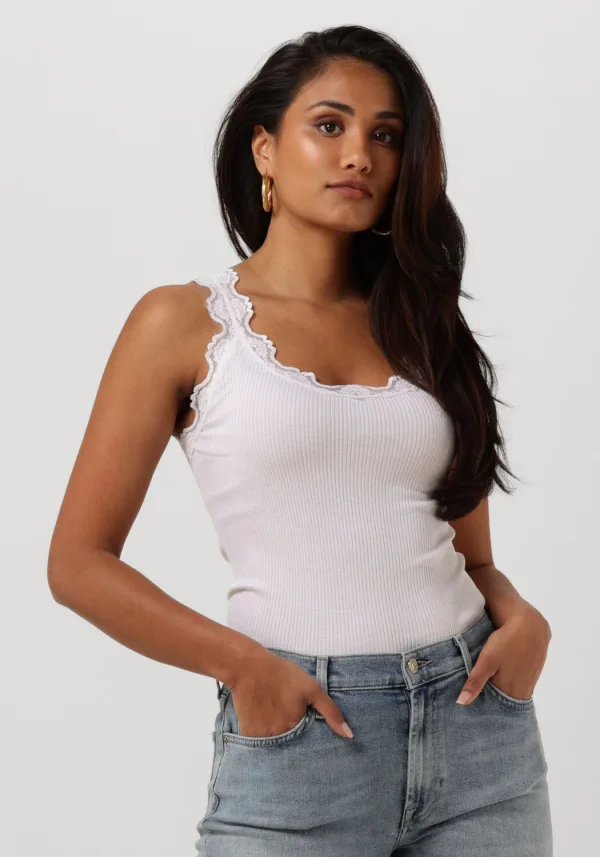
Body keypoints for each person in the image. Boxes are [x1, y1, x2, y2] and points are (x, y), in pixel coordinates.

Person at [47, 23, 553, 857]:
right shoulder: (184, 323)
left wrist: (523, 617)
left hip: (478, 735)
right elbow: (77, 562)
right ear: (265, 149)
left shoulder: (425, 325)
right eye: (329, 124)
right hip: (302, 742)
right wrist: (244, 666)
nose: (359, 154)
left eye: (385, 136)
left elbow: (473, 557)